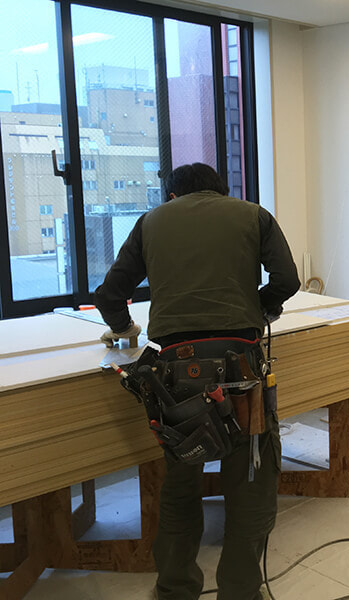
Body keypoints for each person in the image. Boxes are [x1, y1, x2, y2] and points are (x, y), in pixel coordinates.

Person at [95, 162, 301, 600]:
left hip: (175, 374)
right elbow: (287, 280)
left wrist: (125, 328)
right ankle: (241, 592)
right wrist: (258, 305)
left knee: (182, 480)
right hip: (241, 368)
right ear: (220, 192)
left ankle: (175, 589)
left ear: (173, 196)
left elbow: (109, 294)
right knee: (250, 481)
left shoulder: (151, 221)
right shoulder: (253, 214)